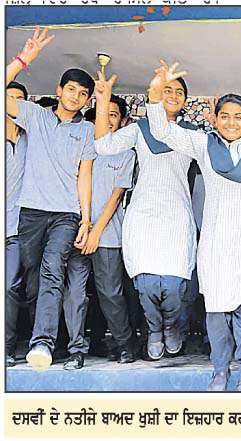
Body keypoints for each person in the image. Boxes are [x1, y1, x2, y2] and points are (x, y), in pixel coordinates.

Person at [140, 61, 241, 392]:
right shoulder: (202, 144)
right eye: (225, 116)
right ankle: (220, 370)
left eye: (238, 117)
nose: (231, 122)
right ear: (215, 119)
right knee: (219, 312)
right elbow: (162, 131)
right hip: (218, 242)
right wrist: (156, 90)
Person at [6, 28, 97, 371]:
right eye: (71, 89)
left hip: (65, 214)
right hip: (30, 212)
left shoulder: (85, 130)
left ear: (87, 101)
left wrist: (85, 220)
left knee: (51, 272)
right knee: (32, 281)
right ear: (59, 91)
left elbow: (84, 176)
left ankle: (42, 343)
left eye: (83, 93)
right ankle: (44, 340)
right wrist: (22, 60)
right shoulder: (35, 115)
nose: (76, 96)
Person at [92, 67, 197, 362]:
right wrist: (103, 101)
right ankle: (153, 329)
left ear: (185, 100)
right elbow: (103, 145)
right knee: (147, 284)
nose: (173, 95)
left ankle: (171, 325)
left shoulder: (191, 134)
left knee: (174, 286)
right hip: (144, 215)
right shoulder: (140, 129)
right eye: (167, 89)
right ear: (157, 96)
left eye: (179, 92)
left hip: (176, 215)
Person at [61, 93, 138, 368]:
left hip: (107, 235)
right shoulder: (83, 147)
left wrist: (96, 233)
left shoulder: (126, 153)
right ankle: (76, 348)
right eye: (103, 115)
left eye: (113, 115)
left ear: (123, 121)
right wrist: (84, 228)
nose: (107, 120)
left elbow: (116, 197)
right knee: (74, 293)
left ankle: (125, 344)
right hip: (76, 233)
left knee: (110, 294)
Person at [5, 81, 29, 367]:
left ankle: (7, 348)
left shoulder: (31, 138)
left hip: (16, 229)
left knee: (10, 286)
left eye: (18, 100)